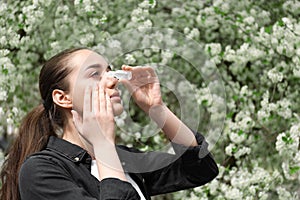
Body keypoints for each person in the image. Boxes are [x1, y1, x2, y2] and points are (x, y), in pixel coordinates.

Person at [0, 47, 218, 200]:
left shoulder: (123, 159)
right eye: (94, 74)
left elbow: (200, 169)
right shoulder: (41, 170)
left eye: (110, 70)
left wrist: (157, 110)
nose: (113, 79)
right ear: (63, 98)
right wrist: (104, 146)